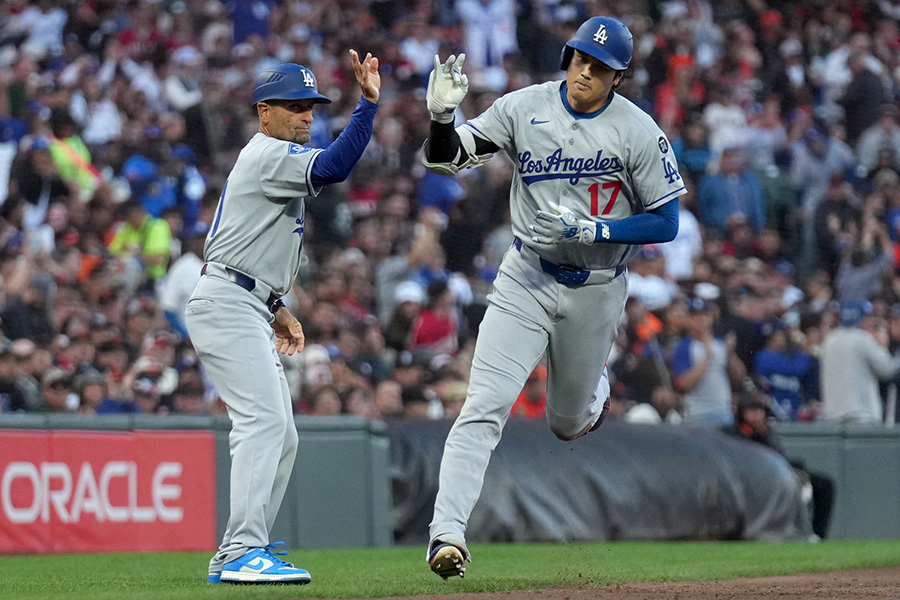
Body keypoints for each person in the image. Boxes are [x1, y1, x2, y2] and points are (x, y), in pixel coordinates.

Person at [420, 16, 684, 580]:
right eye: (581, 58)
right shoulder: (524, 107)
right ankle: (447, 534)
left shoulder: (637, 129)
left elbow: (667, 222)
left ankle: (594, 391)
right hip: (526, 277)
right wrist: (443, 118)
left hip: (596, 286)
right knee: (483, 405)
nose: (586, 71)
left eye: (600, 67)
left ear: (617, 77)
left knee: (567, 423)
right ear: (568, 56)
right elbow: (448, 157)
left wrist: (600, 230)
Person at [185, 52, 381, 585]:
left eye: (310, 108)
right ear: (264, 111)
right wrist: (366, 105)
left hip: (246, 300)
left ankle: (241, 549)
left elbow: (249, 248)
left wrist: (275, 308)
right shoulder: (269, 152)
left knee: (284, 433)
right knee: (263, 422)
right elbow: (336, 167)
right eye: (295, 107)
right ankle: (242, 550)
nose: (305, 117)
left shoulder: (274, 154)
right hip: (226, 302)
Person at [820, 298, 899, 424]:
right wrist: (882, 346)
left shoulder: (829, 339)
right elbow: (888, 370)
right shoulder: (863, 339)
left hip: (833, 414)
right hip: (862, 414)